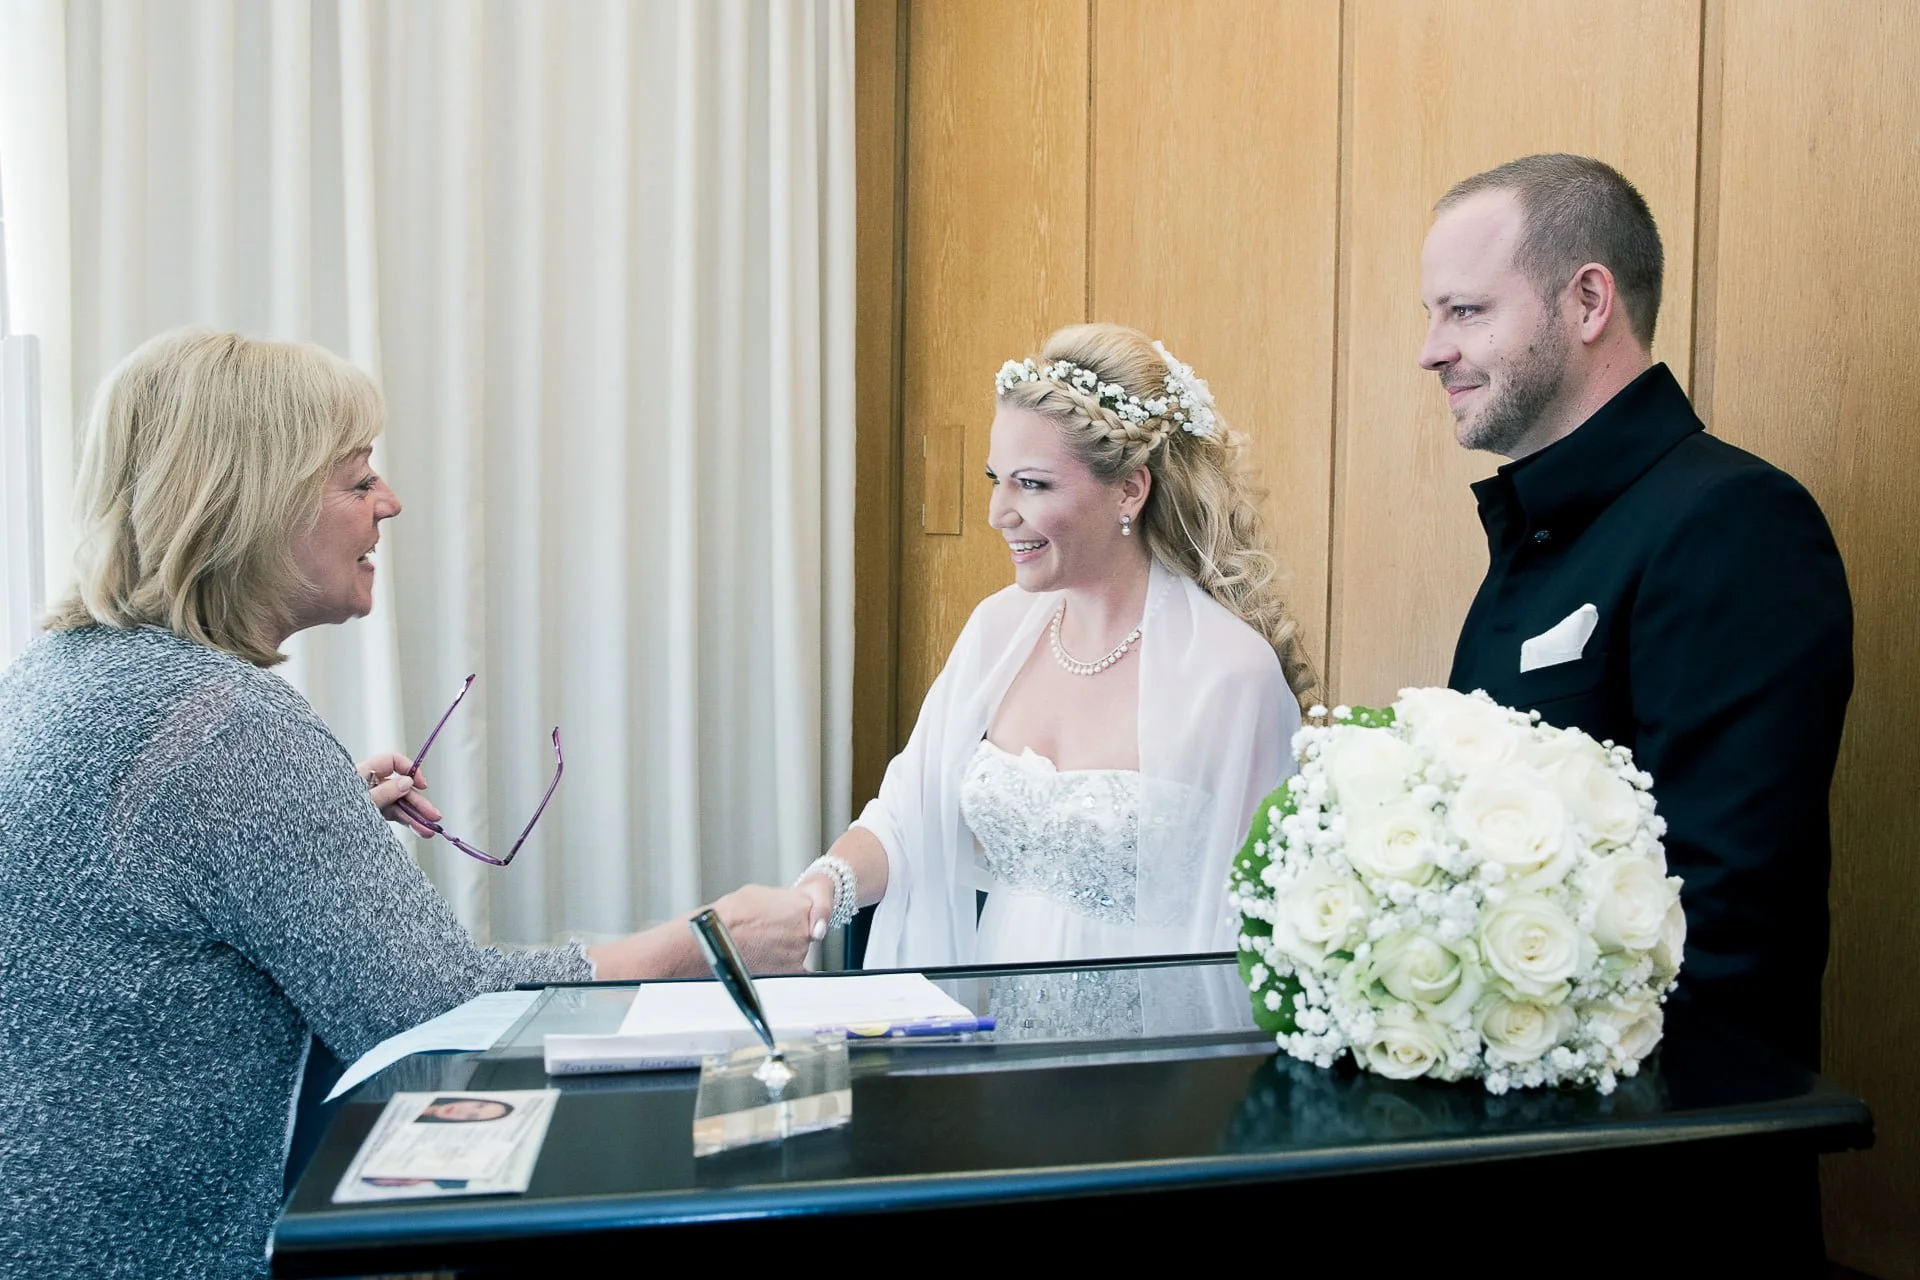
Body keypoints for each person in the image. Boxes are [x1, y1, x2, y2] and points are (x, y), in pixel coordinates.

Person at [0, 329, 814, 1279]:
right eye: (357, 482)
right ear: (248, 507)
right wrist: (691, 948)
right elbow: (434, 1015)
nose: (390, 503)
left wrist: (312, 823)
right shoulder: (230, 731)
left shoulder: (54, 673)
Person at [1418, 155, 1850, 1261]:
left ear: (1589, 300)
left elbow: (1729, 921)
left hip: (1660, 1194)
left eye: (1466, 309)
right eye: (1433, 313)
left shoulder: (1733, 521)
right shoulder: (1539, 537)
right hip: (1519, 1160)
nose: (1433, 347)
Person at [795, 324, 1313, 967]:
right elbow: (907, 817)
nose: (997, 513)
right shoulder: (996, 632)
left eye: (1033, 485)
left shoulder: (1229, 673)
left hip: (1156, 1043)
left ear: (1130, 489)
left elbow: (1256, 923)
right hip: (1001, 1017)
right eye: (997, 479)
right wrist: (823, 891)